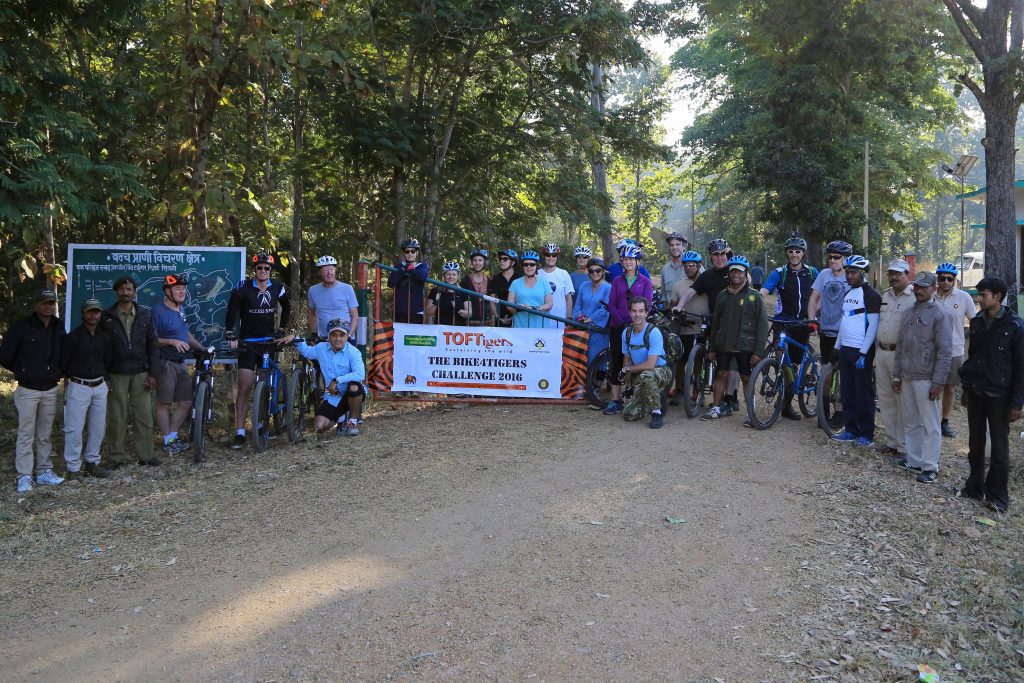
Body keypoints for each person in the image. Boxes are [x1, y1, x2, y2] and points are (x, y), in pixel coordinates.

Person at [958, 276, 1024, 513]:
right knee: (975, 445)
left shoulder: (1014, 326)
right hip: (976, 392)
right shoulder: (977, 322)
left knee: (999, 449)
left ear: (997, 296)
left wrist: (1017, 403)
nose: (979, 299)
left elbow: (1020, 367)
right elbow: (972, 358)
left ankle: (998, 497)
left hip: (1000, 397)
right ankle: (974, 488)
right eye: (979, 294)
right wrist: (966, 389)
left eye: (983, 294)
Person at [0, 288, 66, 493]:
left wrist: (57, 371)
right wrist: (23, 370)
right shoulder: (21, 327)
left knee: (45, 434)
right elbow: (4, 355)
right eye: (45, 303)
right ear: (35, 305)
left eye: (52, 303)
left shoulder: (58, 326)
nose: (49, 306)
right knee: (26, 434)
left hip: (50, 388)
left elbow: (64, 353)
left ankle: (44, 471)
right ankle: (25, 476)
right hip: (28, 389)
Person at [224, 252, 293, 450]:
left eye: (266, 268)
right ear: (254, 270)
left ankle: (262, 423)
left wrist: (282, 329)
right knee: (244, 387)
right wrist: (229, 332)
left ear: (271, 270)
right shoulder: (243, 287)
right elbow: (232, 310)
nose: (262, 271)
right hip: (247, 343)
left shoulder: (277, 287)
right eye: (259, 268)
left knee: (264, 385)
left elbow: (286, 308)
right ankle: (239, 432)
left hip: (268, 343)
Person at [892, 272, 953, 484]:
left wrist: (938, 383)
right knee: (910, 421)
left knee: (930, 423)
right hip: (907, 375)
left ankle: (930, 466)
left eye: (924, 287)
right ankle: (914, 459)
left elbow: (945, 351)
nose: (919, 290)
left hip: (926, 377)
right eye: (917, 286)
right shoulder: (909, 313)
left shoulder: (940, 314)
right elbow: (901, 347)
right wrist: (897, 375)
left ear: (934, 288)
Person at [101, 276, 163, 468]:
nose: (125, 292)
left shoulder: (145, 314)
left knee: (144, 417)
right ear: (117, 292)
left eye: (128, 289)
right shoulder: (107, 316)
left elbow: (153, 346)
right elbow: (101, 349)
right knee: (117, 418)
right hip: (116, 373)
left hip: (141, 373)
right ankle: (115, 457)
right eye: (122, 289)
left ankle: (146, 456)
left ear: (135, 292)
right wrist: (105, 376)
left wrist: (154, 374)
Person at [700, 256, 769, 422]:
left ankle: (750, 414)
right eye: (733, 271)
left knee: (746, 378)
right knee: (720, 375)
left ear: (746, 274)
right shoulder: (722, 296)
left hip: (745, 346)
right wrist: (712, 348)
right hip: (724, 345)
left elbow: (762, 325)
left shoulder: (755, 297)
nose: (736, 275)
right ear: (729, 274)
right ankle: (716, 408)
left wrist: (759, 351)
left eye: (739, 271)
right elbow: (716, 323)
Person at [674, 238, 740, 411]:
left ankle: (731, 397)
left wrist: (732, 257)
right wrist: (679, 306)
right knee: (714, 357)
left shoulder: (734, 271)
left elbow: (746, 278)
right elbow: (690, 292)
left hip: (734, 322)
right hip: (714, 321)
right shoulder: (707, 276)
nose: (720, 258)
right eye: (715, 255)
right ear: (710, 257)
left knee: (732, 363)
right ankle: (702, 388)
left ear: (727, 254)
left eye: (723, 254)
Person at [760, 236, 818, 420]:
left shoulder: (812, 272)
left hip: (803, 323)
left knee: (794, 363)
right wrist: (756, 300)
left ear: (803, 254)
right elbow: (764, 290)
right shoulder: (779, 272)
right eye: (791, 251)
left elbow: (820, 294)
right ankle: (785, 392)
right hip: (783, 321)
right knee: (780, 354)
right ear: (787, 253)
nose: (794, 254)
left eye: (798, 251)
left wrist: (816, 316)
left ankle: (786, 404)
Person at [150, 274, 206, 455]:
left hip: (181, 363)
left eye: (183, 288)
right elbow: (150, 340)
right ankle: (167, 441)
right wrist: (171, 342)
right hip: (165, 363)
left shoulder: (181, 309)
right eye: (177, 289)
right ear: (167, 291)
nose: (182, 292)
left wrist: (203, 348)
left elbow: (186, 334)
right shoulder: (158, 311)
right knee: (164, 404)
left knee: (186, 402)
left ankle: (173, 437)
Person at [60, 298, 113, 479]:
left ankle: (92, 463)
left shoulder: (104, 337)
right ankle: (73, 469)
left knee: (98, 427)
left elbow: (108, 361)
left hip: (99, 385)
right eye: (90, 311)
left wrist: (106, 381)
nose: (93, 315)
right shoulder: (73, 337)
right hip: (78, 385)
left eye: (96, 311)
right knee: (74, 428)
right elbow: (64, 362)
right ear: (83, 313)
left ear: (100, 314)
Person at [832, 255, 882, 447]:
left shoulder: (871, 295)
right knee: (847, 392)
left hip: (861, 351)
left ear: (862, 273)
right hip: (845, 348)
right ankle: (851, 429)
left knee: (863, 393)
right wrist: (837, 347)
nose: (849, 276)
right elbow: (845, 323)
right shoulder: (848, 293)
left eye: (853, 272)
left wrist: (863, 352)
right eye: (848, 272)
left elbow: (873, 326)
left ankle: (867, 433)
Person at [291, 319, 366, 436]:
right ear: (328, 336)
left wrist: (337, 380)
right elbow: (306, 352)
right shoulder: (321, 348)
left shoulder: (353, 352)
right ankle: (341, 417)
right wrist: (295, 338)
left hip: (352, 394)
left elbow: (360, 374)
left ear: (347, 336)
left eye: (342, 335)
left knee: (354, 386)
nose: (338, 339)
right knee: (319, 426)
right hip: (333, 396)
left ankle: (353, 421)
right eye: (334, 335)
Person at [602, 244, 654, 414]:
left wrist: (634, 322)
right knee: (617, 361)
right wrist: (622, 320)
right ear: (622, 261)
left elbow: (648, 304)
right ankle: (615, 400)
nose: (628, 262)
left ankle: (635, 396)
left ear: (637, 261)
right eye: (625, 259)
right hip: (618, 327)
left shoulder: (645, 282)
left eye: (632, 259)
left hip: (638, 327)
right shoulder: (617, 281)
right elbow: (612, 304)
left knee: (636, 361)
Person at [873, 259, 914, 456]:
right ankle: (892, 442)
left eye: (898, 273)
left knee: (902, 401)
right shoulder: (885, 296)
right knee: (886, 399)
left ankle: (904, 447)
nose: (894, 277)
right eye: (891, 273)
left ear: (908, 275)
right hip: (881, 353)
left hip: (901, 355)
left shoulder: (914, 298)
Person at [933, 261, 976, 438]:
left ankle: (945, 421)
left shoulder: (964, 297)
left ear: (954, 280)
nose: (946, 282)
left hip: (955, 349)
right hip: (932, 350)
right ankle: (931, 420)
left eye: (950, 279)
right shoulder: (930, 296)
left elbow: (975, 321)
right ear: (938, 278)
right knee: (931, 386)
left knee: (949, 387)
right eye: (942, 278)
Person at [620, 297, 674, 429]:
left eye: (641, 311)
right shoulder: (626, 333)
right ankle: (649, 400)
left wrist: (627, 370)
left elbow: (650, 365)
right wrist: (628, 388)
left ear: (646, 313)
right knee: (628, 414)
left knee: (647, 376)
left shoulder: (654, 332)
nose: (637, 315)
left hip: (661, 370)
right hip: (639, 373)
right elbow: (626, 359)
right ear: (629, 312)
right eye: (634, 311)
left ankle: (657, 413)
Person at [669, 250, 707, 402]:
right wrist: (674, 310)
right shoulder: (678, 285)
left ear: (699, 266)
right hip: (685, 327)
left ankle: (697, 390)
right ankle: (679, 389)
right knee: (681, 360)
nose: (689, 268)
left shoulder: (706, 282)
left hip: (703, 327)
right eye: (686, 265)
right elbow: (672, 304)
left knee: (700, 361)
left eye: (692, 265)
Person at [808, 240, 854, 364]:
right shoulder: (824, 274)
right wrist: (811, 320)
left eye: (837, 257)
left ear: (846, 259)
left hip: (844, 334)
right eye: (830, 257)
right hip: (826, 332)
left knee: (844, 372)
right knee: (826, 370)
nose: (833, 260)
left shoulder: (852, 276)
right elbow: (813, 298)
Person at [307, 255, 359, 339]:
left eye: (331, 269)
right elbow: (312, 314)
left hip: (345, 338)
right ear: (320, 272)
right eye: (325, 270)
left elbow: (355, 315)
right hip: (324, 338)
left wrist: (349, 335)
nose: (329, 273)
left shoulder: (347, 288)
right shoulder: (313, 290)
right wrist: (314, 333)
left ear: (335, 270)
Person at [572, 257, 611, 365]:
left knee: (595, 360)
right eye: (591, 271)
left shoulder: (609, 288)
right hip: (582, 328)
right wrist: (579, 317)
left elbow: (605, 309)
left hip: (598, 330)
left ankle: (596, 381)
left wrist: (590, 319)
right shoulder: (584, 285)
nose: (594, 273)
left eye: (598, 270)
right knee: (580, 359)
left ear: (603, 271)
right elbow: (577, 305)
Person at [387, 237, 429, 323]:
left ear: (417, 253)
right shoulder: (398, 267)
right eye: (407, 251)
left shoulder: (422, 266)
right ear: (404, 253)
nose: (410, 254)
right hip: (400, 310)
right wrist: (402, 270)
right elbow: (390, 283)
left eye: (413, 251)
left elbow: (422, 276)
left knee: (415, 336)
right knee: (399, 336)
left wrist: (411, 270)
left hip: (416, 310)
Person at [508, 251, 553, 328]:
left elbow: (549, 304)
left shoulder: (544, 282)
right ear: (522, 266)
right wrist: (520, 308)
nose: (529, 267)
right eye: (525, 265)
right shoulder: (515, 283)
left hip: (540, 327)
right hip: (520, 327)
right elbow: (509, 306)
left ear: (536, 266)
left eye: (532, 264)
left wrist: (534, 308)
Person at [540, 243, 574, 329]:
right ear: (544, 256)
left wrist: (568, 318)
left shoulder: (564, 274)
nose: (551, 258)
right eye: (548, 255)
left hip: (560, 320)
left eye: (554, 255)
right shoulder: (537, 274)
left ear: (557, 257)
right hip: (541, 320)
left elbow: (568, 298)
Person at [460, 249, 491, 325]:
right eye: (475, 260)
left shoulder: (490, 280)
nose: (477, 263)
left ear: (485, 262)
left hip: (487, 324)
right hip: (469, 324)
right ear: (472, 262)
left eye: (480, 260)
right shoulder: (466, 280)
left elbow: (492, 302)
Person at [489, 249, 518, 327]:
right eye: (500, 259)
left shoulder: (520, 278)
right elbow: (492, 301)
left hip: (518, 319)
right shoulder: (496, 279)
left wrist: (513, 318)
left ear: (513, 262)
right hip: (500, 320)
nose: (502, 261)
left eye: (505, 259)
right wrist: (497, 317)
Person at [660, 231, 690, 304]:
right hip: (671, 313)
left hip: (690, 313)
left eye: (677, 244)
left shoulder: (694, 266)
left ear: (684, 247)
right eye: (671, 245)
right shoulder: (665, 269)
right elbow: (664, 295)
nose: (674, 247)